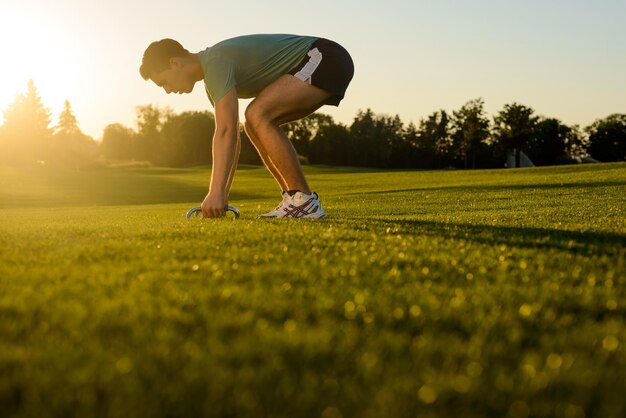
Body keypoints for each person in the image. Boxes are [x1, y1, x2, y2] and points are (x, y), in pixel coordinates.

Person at [139, 34, 354, 218]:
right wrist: (222, 193)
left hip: (325, 56)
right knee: (253, 123)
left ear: (175, 63)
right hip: (326, 60)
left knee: (257, 114)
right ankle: (294, 199)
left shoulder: (214, 62)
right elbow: (232, 137)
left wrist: (214, 192)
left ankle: (304, 201)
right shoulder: (211, 78)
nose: (167, 90)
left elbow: (226, 132)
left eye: (163, 82)